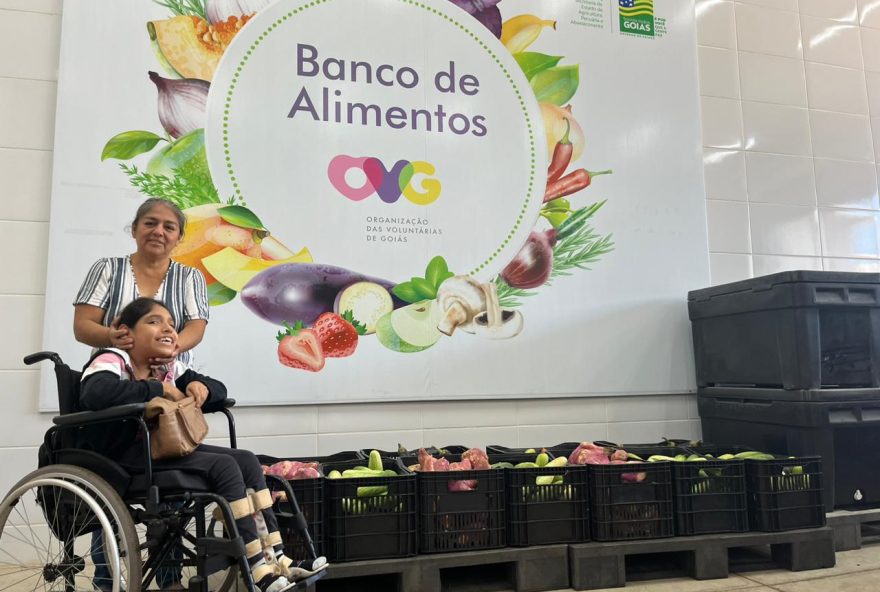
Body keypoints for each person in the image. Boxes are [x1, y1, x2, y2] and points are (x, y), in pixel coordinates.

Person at [80, 298, 326, 592]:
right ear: (125, 332)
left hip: (158, 451)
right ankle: (257, 569)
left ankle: (276, 558)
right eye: (154, 321)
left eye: (171, 323)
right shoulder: (112, 359)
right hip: (120, 456)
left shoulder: (169, 367)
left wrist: (203, 387)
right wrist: (158, 389)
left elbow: (220, 391)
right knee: (223, 465)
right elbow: (96, 393)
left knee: (246, 460)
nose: (168, 328)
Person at [73, 198, 208, 591]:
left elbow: (196, 328)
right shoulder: (108, 269)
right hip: (119, 388)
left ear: (179, 238)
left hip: (168, 389)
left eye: (169, 226)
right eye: (150, 223)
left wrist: (166, 349)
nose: (159, 232)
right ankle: (108, 581)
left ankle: (168, 581)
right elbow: (83, 326)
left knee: (171, 486)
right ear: (135, 229)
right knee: (111, 490)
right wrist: (113, 338)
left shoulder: (189, 277)